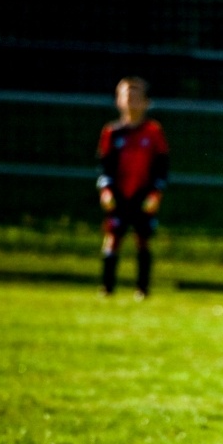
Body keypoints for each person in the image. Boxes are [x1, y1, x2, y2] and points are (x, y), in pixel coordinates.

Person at [97, 78, 170, 299]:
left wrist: (156, 193)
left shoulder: (153, 132)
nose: (131, 101)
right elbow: (104, 167)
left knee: (143, 239)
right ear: (118, 101)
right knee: (112, 238)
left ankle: (142, 289)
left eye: (136, 97)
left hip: (142, 195)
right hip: (119, 195)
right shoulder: (112, 133)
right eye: (127, 96)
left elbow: (162, 166)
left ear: (147, 102)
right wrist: (106, 190)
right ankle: (107, 288)